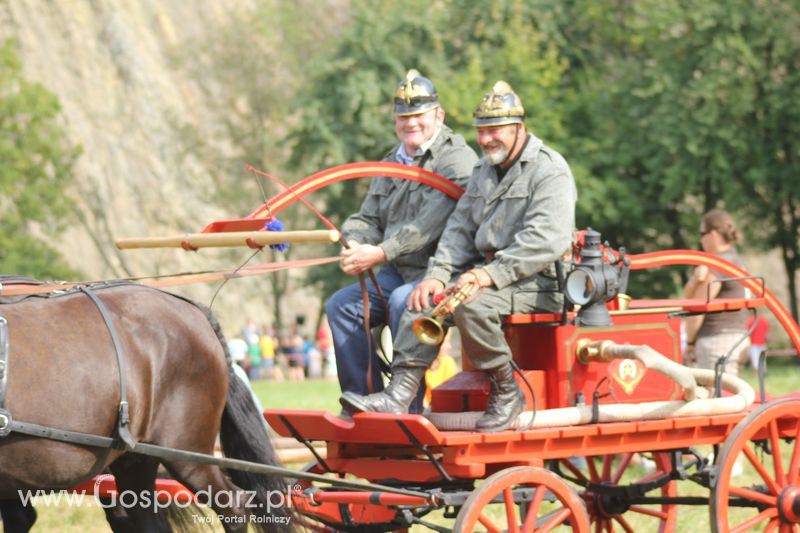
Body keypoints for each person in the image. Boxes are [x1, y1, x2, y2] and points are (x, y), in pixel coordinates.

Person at [341, 81, 577, 432]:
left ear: (518, 128)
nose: (485, 140)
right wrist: (437, 274)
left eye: (494, 130)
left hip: (540, 282)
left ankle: (507, 391)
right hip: (492, 277)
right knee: (425, 296)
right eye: (481, 131)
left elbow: (545, 241)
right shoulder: (483, 169)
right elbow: (458, 229)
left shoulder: (549, 170)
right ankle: (400, 394)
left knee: (468, 303)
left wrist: (487, 275)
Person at [325, 69, 478, 413]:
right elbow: (367, 218)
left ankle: (407, 406)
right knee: (342, 306)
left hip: (449, 270)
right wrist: (354, 242)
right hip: (402, 270)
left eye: (418, 115)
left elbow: (427, 225)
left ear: (439, 115)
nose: (410, 123)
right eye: (403, 117)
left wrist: (378, 253)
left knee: (401, 301)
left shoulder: (457, 159)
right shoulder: (391, 162)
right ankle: (361, 400)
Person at [683, 209, 750, 376]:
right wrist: (694, 281)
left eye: (702, 233)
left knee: (716, 400)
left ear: (713, 234)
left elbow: (696, 308)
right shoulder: (736, 261)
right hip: (738, 336)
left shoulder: (717, 266)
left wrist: (690, 342)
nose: (701, 240)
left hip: (716, 342)